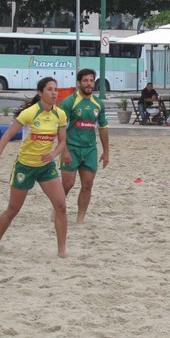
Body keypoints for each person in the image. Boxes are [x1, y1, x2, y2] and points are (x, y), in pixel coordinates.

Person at [0, 77, 69, 258]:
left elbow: (62, 142)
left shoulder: (60, 114)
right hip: (25, 166)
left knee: (61, 206)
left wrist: (54, 154)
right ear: (40, 93)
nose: (54, 93)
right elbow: (7, 135)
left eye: (56, 89)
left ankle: (62, 250)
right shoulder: (29, 113)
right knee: (13, 209)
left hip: (46, 167)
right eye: (49, 89)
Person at [59, 68, 110, 225]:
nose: (89, 84)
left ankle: (80, 218)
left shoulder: (98, 103)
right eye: (86, 80)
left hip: (90, 150)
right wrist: (64, 150)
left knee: (87, 185)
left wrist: (106, 152)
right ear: (79, 83)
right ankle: (57, 208)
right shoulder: (69, 102)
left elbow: (103, 128)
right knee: (68, 184)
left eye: (91, 80)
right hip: (71, 148)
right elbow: (60, 128)